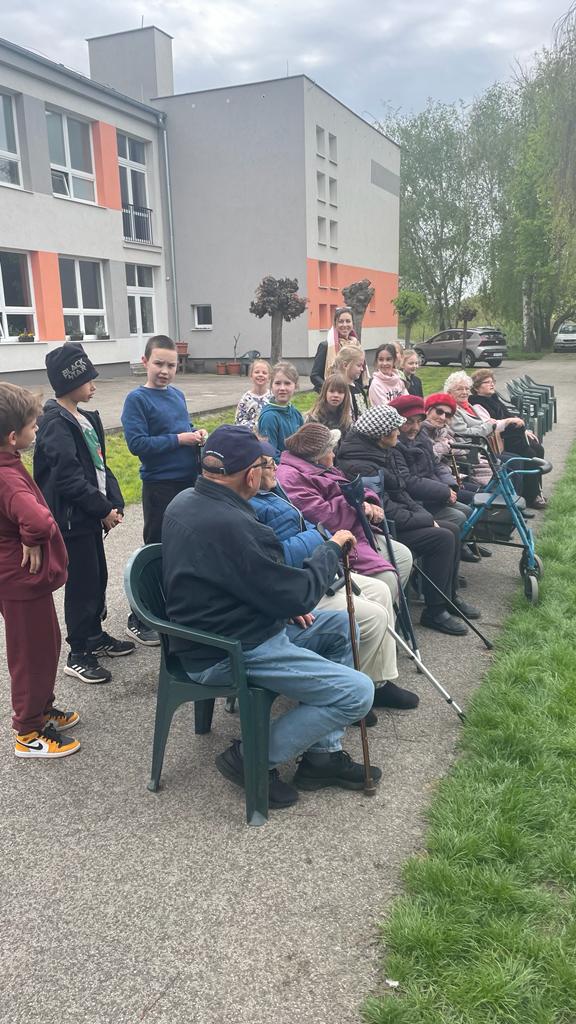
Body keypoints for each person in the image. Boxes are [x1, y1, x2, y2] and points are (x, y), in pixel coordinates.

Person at [162, 424, 382, 809]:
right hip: (228, 649)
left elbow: (236, 580)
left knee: (341, 628)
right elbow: (299, 593)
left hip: (219, 629)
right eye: (265, 465)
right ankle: (250, 756)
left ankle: (322, 758)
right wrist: (330, 548)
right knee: (358, 693)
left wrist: (280, 602)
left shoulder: (184, 501)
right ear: (250, 475)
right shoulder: (236, 524)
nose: (270, 472)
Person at [250, 455, 419, 713]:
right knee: (373, 615)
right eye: (267, 464)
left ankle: (376, 683)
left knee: (381, 590)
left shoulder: (274, 490)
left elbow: (312, 524)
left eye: (273, 461)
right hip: (298, 583)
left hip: (315, 569)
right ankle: (347, 691)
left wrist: (325, 537)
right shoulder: (259, 498)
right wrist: (322, 540)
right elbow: (280, 555)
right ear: (248, 472)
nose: (275, 466)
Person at [34, 344, 135, 684]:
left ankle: (94, 636)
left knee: (97, 577)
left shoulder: (86, 418)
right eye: (88, 379)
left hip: (89, 516)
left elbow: (100, 466)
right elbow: (68, 479)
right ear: (69, 382)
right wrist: (102, 509)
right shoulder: (54, 423)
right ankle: (78, 653)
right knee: (81, 585)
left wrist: (113, 503)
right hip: (71, 520)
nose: (94, 385)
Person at [336, 405, 480, 635]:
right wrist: (424, 520)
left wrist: (424, 517)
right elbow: (385, 509)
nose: (399, 432)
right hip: (379, 528)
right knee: (442, 538)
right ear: (382, 435)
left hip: (396, 519)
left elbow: (400, 492)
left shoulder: (381, 451)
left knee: (451, 530)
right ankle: (434, 611)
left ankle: (448, 597)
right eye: (395, 429)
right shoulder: (361, 464)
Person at [0, 383, 80, 759]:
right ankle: (28, 731)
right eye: (33, 426)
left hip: (23, 582)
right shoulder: (8, 477)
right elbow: (38, 520)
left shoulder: (8, 463)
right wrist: (31, 537)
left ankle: (42, 708)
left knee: (46, 644)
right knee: (31, 655)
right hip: (20, 581)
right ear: (13, 437)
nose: (37, 430)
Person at [121, 334, 207, 644]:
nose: (165, 371)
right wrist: (180, 440)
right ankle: (140, 614)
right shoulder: (137, 400)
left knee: (184, 547)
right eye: (159, 364)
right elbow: (137, 444)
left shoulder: (177, 395)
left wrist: (195, 434)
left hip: (189, 481)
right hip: (159, 485)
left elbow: (181, 429)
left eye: (171, 365)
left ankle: (174, 609)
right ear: (145, 362)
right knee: (156, 549)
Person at [276, 422, 413, 600]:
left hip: (356, 529)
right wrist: (359, 507)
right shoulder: (291, 477)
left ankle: (390, 610)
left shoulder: (319, 466)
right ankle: (381, 614)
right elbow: (322, 516)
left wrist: (367, 502)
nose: (334, 454)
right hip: (338, 539)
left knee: (403, 556)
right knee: (387, 579)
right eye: (330, 450)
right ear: (318, 455)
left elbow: (353, 487)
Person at [470, 369, 547, 508]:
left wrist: (524, 430)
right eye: (487, 382)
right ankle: (529, 497)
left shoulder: (493, 398)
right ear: (476, 387)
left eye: (492, 381)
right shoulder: (477, 404)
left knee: (538, 448)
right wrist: (509, 421)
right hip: (497, 440)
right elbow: (490, 425)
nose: (492, 384)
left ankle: (536, 491)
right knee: (529, 454)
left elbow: (508, 414)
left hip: (510, 436)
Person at [257, 362, 304, 461]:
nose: (282, 388)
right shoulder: (269, 417)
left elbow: (303, 445)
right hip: (280, 467)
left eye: (287, 383)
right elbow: (270, 454)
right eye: (278, 383)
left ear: (295, 386)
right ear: (271, 386)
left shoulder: (296, 414)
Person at [310, 305, 364, 391]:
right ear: (335, 324)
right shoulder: (326, 346)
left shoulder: (357, 346)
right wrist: (332, 389)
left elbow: (359, 376)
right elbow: (315, 376)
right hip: (333, 394)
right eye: (341, 321)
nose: (344, 325)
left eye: (348, 321)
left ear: (352, 324)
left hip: (353, 392)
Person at [305, 372, 353, 436]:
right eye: (332, 391)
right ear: (325, 393)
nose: (336, 395)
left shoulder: (346, 420)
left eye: (340, 392)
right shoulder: (314, 418)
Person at [332, 345, 370, 421]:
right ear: (345, 365)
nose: (362, 369)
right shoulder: (337, 389)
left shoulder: (358, 388)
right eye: (359, 365)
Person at [234, 358, 272, 429]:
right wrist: (255, 426)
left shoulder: (273, 398)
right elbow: (238, 421)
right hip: (248, 434)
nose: (260, 375)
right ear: (251, 376)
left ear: (269, 378)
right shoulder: (245, 398)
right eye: (257, 372)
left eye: (264, 373)